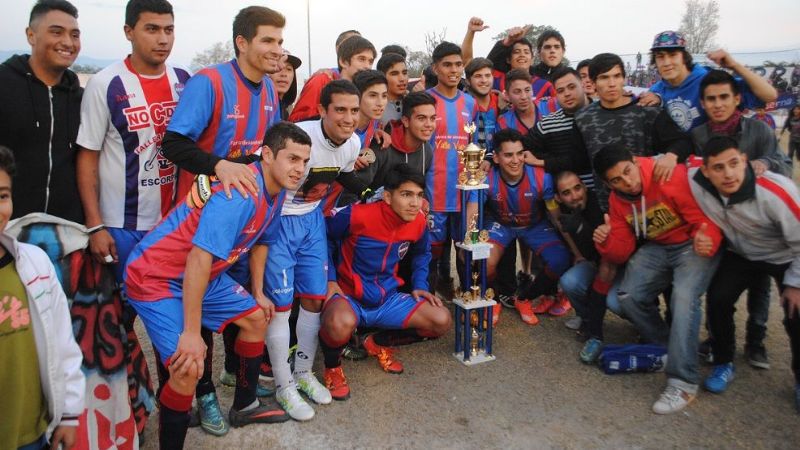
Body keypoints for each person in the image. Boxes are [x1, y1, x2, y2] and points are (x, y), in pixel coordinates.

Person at [124, 122, 310, 448]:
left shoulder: (277, 189)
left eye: (304, 162)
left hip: (201, 275)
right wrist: (192, 333)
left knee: (255, 318)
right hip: (157, 277)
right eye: (292, 159)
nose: (299, 169)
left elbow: (262, 240)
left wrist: (257, 292)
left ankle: (245, 405)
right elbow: (198, 258)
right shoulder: (240, 195)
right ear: (266, 154)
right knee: (188, 365)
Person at [263, 80, 369, 421]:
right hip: (279, 222)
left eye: (354, 110)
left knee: (314, 299)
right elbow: (263, 169)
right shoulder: (299, 135)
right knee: (280, 307)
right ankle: (283, 386)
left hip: (312, 223)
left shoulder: (354, 143)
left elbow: (348, 175)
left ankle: (303, 373)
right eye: (340, 109)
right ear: (322, 110)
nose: (349, 117)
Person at [592, 144, 723, 415]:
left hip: (691, 242)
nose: (627, 182)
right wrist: (606, 240)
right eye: (617, 180)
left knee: (684, 298)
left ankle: (683, 381)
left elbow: (707, 216)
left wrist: (707, 236)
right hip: (659, 247)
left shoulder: (668, 175)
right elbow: (622, 251)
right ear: (608, 184)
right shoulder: (618, 200)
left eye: (628, 172)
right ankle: (667, 347)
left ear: (635, 162)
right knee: (626, 296)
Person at [688, 136, 800, 413]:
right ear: (705, 171)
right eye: (718, 168)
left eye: (734, 164)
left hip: (785, 255)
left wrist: (796, 284)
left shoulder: (776, 191)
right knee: (718, 300)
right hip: (741, 253)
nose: (728, 174)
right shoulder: (694, 179)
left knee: (796, 312)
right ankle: (723, 361)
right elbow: (666, 166)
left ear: (745, 161)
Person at [320, 163, 450, 400]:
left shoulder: (418, 221)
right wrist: (329, 279)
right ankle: (332, 367)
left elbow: (423, 253)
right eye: (406, 195)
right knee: (339, 323)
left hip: (387, 299)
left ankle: (375, 341)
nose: (415, 203)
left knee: (441, 320)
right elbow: (323, 236)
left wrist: (420, 284)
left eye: (419, 196)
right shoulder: (358, 215)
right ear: (388, 197)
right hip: (349, 297)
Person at [690, 70, 793, 369]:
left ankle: (756, 341)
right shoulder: (699, 136)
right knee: (720, 290)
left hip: (765, 223)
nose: (718, 104)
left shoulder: (758, 130)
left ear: (737, 98)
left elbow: (784, 164)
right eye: (711, 99)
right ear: (703, 103)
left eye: (724, 97)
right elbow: (696, 180)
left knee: (761, 287)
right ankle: (720, 344)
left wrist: (764, 164)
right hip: (728, 227)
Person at [1, 145, 85, 450]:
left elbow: (62, 342)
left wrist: (68, 415)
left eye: (2, 196)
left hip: (33, 433)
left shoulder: (35, 265)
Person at [162, 5, 283, 201]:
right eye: (268, 41)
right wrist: (220, 165)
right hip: (198, 207)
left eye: (279, 42)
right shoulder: (208, 81)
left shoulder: (269, 87)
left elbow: (270, 145)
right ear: (242, 44)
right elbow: (173, 144)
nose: (277, 50)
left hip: (241, 205)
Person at [466, 129, 570, 326]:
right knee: (483, 260)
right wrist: (469, 241)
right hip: (501, 225)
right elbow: (472, 209)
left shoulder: (541, 177)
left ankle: (525, 298)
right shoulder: (485, 176)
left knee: (561, 259)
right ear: (495, 157)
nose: (515, 160)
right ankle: (492, 299)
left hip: (533, 225)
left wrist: (573, 248)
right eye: (508, 155)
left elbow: (556, 216)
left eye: (519, 153)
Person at [0, 0, 83, 224]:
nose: (68, 42)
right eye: (56, 32)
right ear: (31, 35)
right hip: (7, 229)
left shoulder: (81, 98)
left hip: (65, 233)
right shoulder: (4, 84)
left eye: (75, 35)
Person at [575, 53, 692, 208]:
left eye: (616, 76)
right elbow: (578, 160)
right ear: (593, 82)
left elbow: (683, 141)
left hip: (654, 202)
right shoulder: (583, 119)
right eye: (604, 77)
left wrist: (671, 156)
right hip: (610, 206)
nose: (612, 83)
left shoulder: (648, 112)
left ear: (624, 79)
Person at [640, 30, 777, 132]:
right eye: (660, 57)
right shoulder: (656, 91)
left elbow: (769, 95)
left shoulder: (709, 81)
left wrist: (734, 65)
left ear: (684, 57)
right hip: (675, 164)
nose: (666, 62)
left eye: (673, 55)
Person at [425, 41, 477, 297]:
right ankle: (428, 299)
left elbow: (475, 145)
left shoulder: (470, 103)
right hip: (434, 193)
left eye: (458, 64)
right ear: (436, 68)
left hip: (464, 194)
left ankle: (466, 299)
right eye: (447, 64)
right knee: (431, 252)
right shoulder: (426, 102)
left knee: (465, 248)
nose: (454, 70)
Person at [553, 171, 621, 345]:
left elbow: (607, 251)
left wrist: (582, 229)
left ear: (584, 186)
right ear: (558, 198)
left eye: (577, 188)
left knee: (617, 302)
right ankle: (587, 319)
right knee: (569, 281)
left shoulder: (599, 203)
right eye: (566, 193)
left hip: (617, 266)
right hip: (595, 263)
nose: (575, 196)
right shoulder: (564, 214)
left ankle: (645, 329)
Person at [525, 66, 594, 190]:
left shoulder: (602, 114)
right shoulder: (547, 124)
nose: (567, 94)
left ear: (583, 85)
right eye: (560, 91)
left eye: (572, 87)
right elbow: (524, 145)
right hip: (566, 201)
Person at [289, 35, 376, 122]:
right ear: (343, 61)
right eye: (361, 59)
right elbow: (297, 121)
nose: (367, 66)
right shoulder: (322, 80)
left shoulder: (366, 89)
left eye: (370, 61)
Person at [485, 25, 556, 101]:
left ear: (532, 59)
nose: (522, 55)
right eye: (517, 52)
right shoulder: (496, 81)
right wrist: (508, 41)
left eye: (526, 52)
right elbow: (486, 66)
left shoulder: (545, 86)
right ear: (508, 59)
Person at [464, 57, 501, 158]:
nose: (484, 80)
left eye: (488, 75)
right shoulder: (462, 105)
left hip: (497, 163)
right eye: (478, 76)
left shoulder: (502, 103)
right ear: (468, 81)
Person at [497, 69, 539, 135]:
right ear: (507, 96)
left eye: (527, 90)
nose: (524, 97)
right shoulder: (504, 123)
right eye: (517, 92)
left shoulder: (551, 107)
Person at [377, 51, 408, 125]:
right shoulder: (375, 107)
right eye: (394, 74)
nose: (402, 79)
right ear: (382, 77)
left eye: (404, 73)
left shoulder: (413, 102)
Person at [270, 50, 302, 119]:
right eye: (277, 67)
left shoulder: (288, 112)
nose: (284, 74)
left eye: (288, 69)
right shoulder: (257, 106)